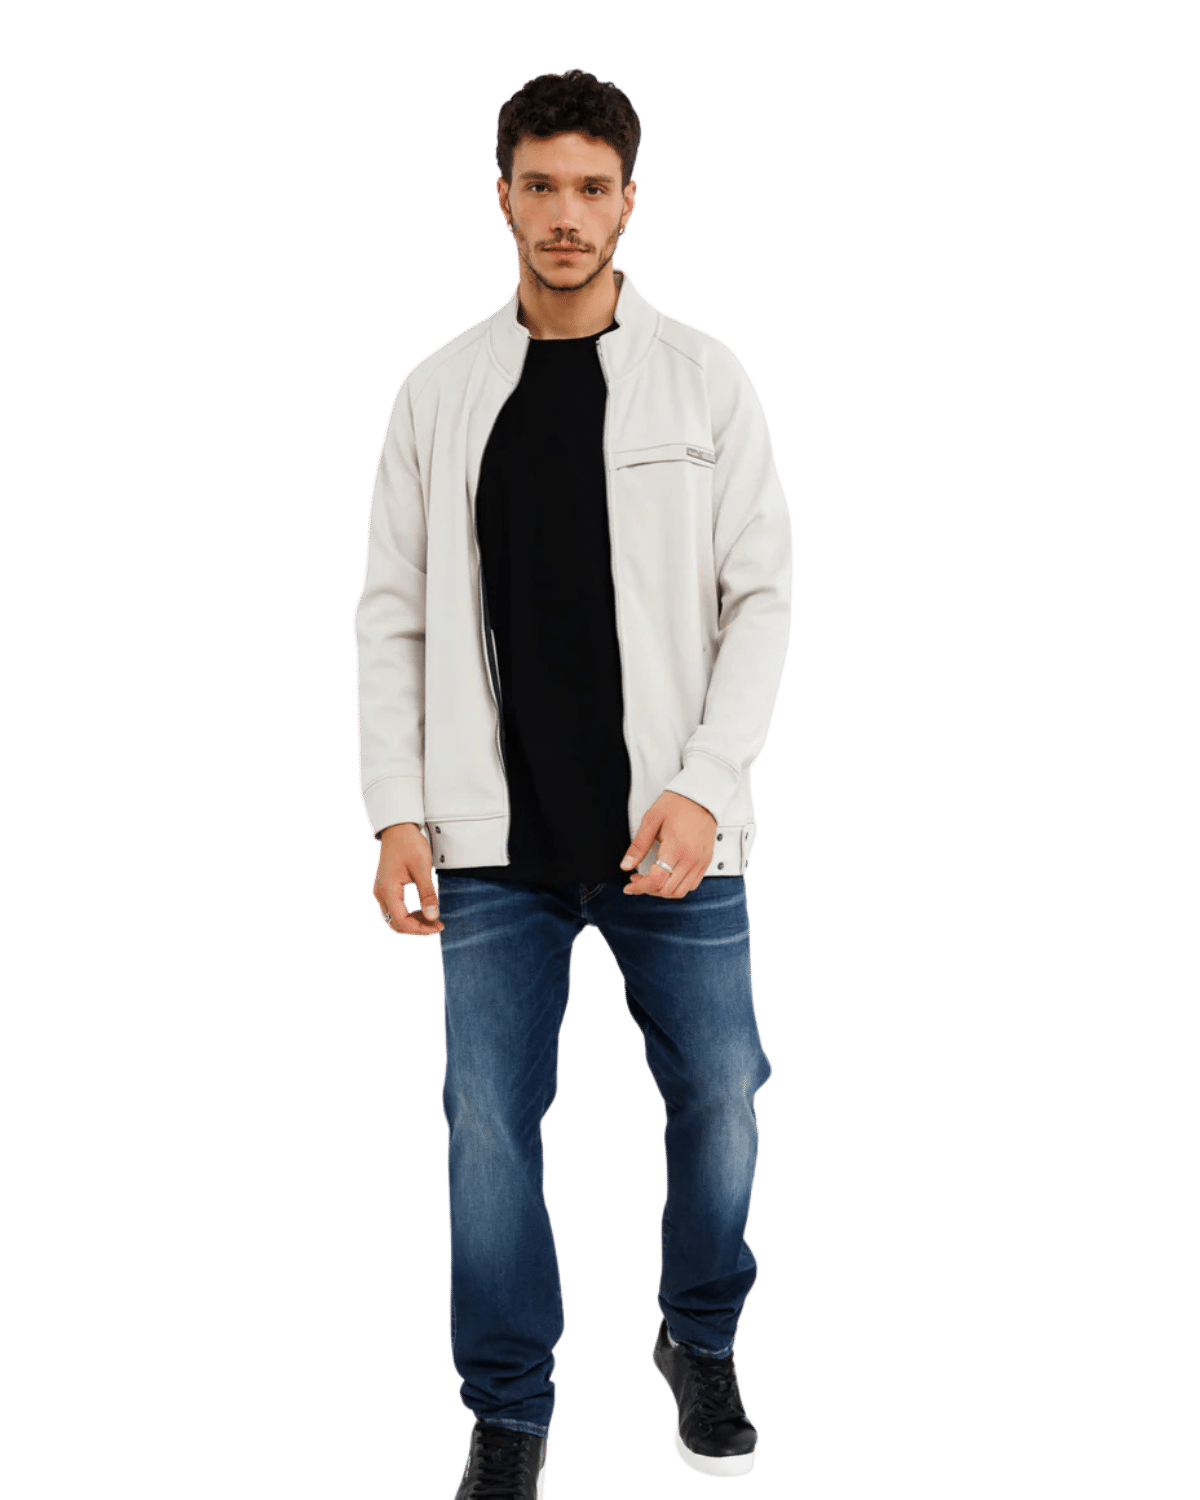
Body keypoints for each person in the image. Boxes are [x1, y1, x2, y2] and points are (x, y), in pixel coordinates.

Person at [353, 67, 793, 1500]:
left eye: (591, 188)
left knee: (722, 1097)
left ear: (629, 202)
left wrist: (709, 782)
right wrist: (397, 807)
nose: (565, 214)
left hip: (673, 835)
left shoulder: (705, 379)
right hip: (490, 839)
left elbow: (762, 596)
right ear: (502, 197)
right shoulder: (437, 393)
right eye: (539, 185)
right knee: (487, 1131)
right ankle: (508, 1415)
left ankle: (700, 1338)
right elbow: (391, 616)